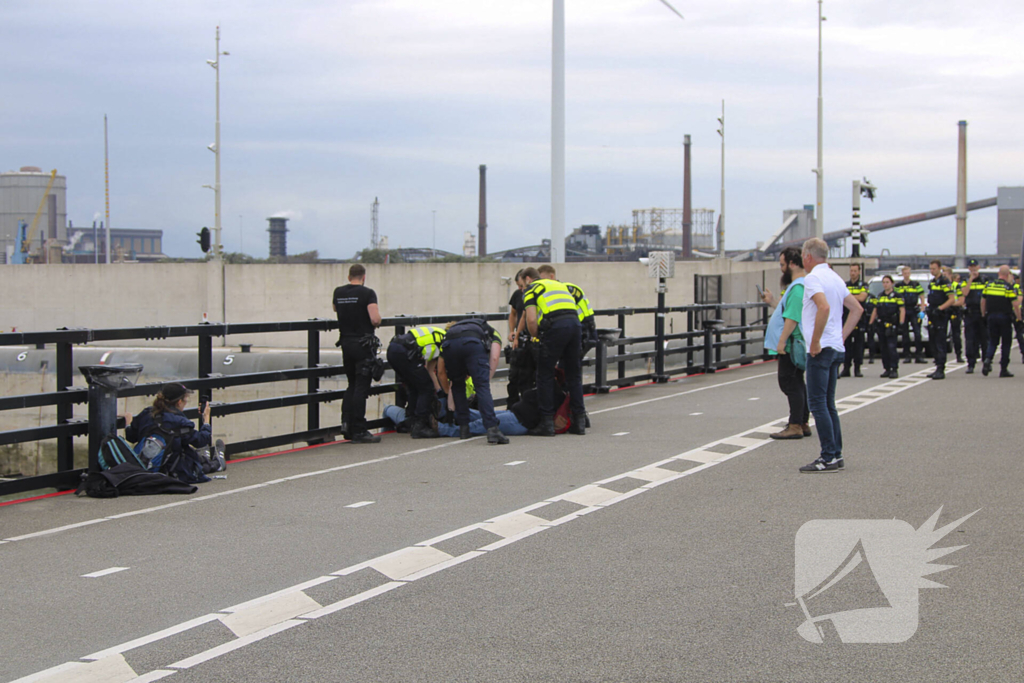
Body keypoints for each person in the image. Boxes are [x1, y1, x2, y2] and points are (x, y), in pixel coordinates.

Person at [799, 238, 863, 473]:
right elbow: (857, 309)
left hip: (821, 348)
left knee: (817, 403)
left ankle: (827, 457)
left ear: (808, 256)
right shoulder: (836, 278)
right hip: (835, 347)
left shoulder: (813, 278)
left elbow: (823, 307)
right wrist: (841, 336)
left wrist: (815, 341)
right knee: (829, 403)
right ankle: (836, 453)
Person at [522, 266, 586, 436]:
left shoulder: (531, 289)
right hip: (574, 325)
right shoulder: (559, 285)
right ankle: (579, 421)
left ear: (528, 280)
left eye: (522, 286)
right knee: (573, 375)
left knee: (545, 374)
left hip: (556, 327)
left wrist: (535, 337)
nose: (522, 290)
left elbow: (531, 319)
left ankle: (547, 423)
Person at [125, 382, 217, 484]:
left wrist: (128, 423)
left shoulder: (147, 414)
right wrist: (206, 420)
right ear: (179, 402)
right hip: (174, 472)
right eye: (185, 400)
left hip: (144, 469)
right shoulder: (180, 422)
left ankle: (208, 460)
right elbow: (201, 440)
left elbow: (131, 437)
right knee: (197, 462)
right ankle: (214, 462)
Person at [763, 247, 810, 440]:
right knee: (797, 382)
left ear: (792, 264)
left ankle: (795, 424)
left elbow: (792, 316)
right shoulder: (796, 286)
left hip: (791, 343)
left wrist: (782, 341)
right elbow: (786, 310)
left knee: (789, 382)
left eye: (782, 264)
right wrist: (773, 301)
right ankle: (802, 421)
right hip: (791, 342)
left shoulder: (798, 287)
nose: (781, 268)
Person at [333, 264, 382, 444]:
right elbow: (375, 319)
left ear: (349, 277)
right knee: (361, 387)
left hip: (346, 343)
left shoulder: (338, 292)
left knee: (351, 385)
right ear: (364, 277)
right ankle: (360, 429)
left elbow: (335, 309)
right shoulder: (367, 293)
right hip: (363, 345)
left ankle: (346, 424)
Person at [439, 318, 508, 444]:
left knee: (457, 385)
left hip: (449, 345)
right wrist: (485, 379)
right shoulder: (492, 332)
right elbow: (494, 357)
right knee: (482, 387)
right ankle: (492, 430)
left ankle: (464, 429)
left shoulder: (452, 332)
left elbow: (441, 369)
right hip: (472, 344)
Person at [386, 324, 446, 438]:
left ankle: (411, 421)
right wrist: (443, 392)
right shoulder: (446, 343)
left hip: (394, 349)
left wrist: (438, 390)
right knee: (426, 388)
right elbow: (441, 373)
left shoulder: (438, 337)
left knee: (415, 386)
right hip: (406, 352)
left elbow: (429, 370)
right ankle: (420, 426)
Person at [981, 265, 1020, 378]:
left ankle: (988, 359)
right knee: (1006, 343)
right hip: (1005, 317)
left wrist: (983, 315)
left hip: (991, 316)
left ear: (998, 274)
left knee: (993, 341)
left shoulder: (989, 285)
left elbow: (983, 301)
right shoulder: (1008, 287)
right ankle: (1003, 369)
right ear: (1008, 275)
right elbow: (1016, 304)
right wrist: (1019, 318)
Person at [867, 275, 905, 378]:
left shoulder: (897, 296)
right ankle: (887, 369)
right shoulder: (880, 296)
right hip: (881, 325)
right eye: (884, 282)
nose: (885, 284)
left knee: (891, 347)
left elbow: (902, 310)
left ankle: (894, 368)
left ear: (892, 283)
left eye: (887, 282)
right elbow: (875, 310)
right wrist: (871, 323)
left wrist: (901, 323)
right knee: (883, 348)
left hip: (892, 325)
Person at [925, 259, 955, 380]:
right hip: (932, 314)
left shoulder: (945, 281)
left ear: (939, 269)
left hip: (941, 315)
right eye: (931, 269)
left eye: (934, 269)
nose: (932, 271)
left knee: (940, 342)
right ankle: (937, 366)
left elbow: (951, 299)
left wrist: (940, 308)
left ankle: (941, 369)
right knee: (933, 342)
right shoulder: (933, 282)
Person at [841, 263, 869, 378]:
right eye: (851, 271)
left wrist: (848, 297)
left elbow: (862, 297)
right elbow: (841, 297)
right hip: (846, 317)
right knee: (846, 344)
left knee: (858, 345)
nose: (853, 273)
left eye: (855, 271)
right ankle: (846, 367)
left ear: (859, 272)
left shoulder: (863, 284)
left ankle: (857, 368)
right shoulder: (844, 284)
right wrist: (853, 297)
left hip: (859, 319)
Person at [961, 259, 989, 374]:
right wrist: (971, 280)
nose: (973, 269)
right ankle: (971, 363)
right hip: (970, 313)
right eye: (971, 267)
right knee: (970, 339)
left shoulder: (985, 280)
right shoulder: (965, 281)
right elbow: (964, 293)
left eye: (975, 267)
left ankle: (986, 362)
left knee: (984, 339)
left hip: (982, 313)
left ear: (978, 267)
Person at [894, 266, 926, 363]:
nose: (906, 275)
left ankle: (918, 355)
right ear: (902, 274)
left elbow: (922, 297)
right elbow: (896, 299)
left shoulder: (915, 284)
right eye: (905, 273)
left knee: (917, 333)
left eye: (908, 273)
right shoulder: (898, 286)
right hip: (904, 310)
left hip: (913, 310)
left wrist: (922, 310)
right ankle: (907, 355)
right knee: (905, 334)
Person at [945, 267, 964, 364]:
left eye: (946, 274)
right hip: (944, 311)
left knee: (956, 334)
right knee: (941, 334)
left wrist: (950, 303)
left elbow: (961, 300)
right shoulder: (941, 285)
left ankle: (959, 355)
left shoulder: (956, 286)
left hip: (954, 310)